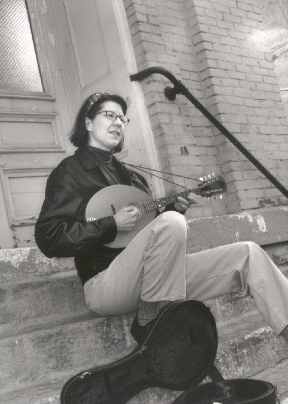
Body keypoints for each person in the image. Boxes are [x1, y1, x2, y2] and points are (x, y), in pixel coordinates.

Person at [35, 92, 288, 344]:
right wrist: (111, 224)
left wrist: (176, 208)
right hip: (105, 285)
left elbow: (152, 235)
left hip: (155, 281)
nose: (118, 123)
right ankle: (149, 323)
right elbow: (50, 237)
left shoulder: (134, 178)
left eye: (122, 119)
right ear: (88, 123)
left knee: (248, 253)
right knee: (171, 223)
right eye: (110, 115)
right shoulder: (70, 172)